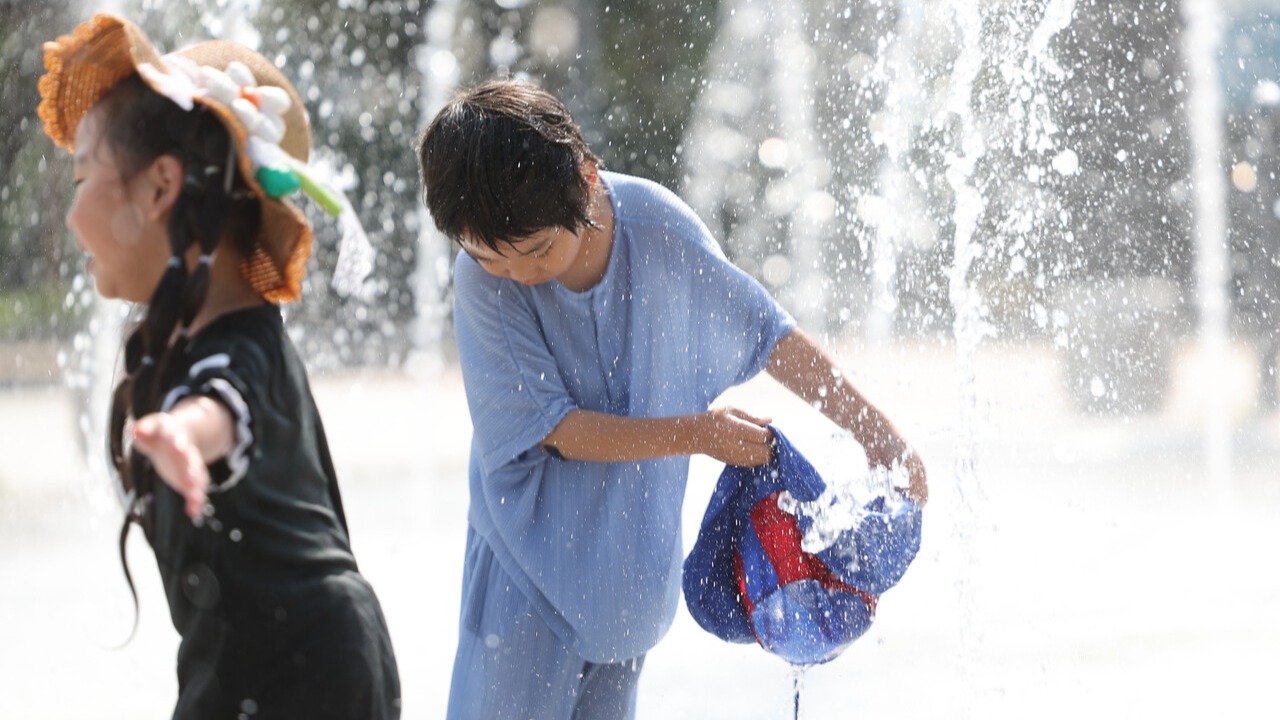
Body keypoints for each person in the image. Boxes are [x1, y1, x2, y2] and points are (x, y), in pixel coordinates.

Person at [417, 78, 928, 719]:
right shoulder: (484, 280)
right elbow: (553, 428)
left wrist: (877, 432)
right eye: (490, 257)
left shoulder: (657, 232)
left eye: (537, 251)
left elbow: (769, 333)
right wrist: (698, 433)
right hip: (526, 575)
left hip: (628, 583)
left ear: (585, 177)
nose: (517, 275)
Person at [38, 14, 400, 718]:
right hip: (276, 663)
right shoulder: (222, 338)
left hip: (303, 674)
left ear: (159, 187)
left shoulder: (238, 351)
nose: (71, 212)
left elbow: (219, 407)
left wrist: (182, 435)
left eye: (82, 175)